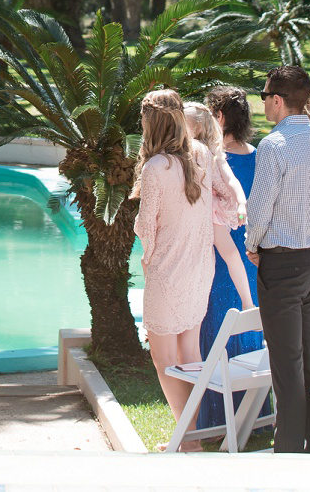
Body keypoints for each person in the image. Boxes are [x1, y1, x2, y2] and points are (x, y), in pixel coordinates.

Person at [245, 63, 310, 454]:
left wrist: (253, 244)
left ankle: (287, 452)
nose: (263, 103)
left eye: (265, 96)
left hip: (281, 261)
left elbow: (259, 207)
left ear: (278, 100)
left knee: (286, 363)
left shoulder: (274, 145)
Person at [133, 88, 213, 450]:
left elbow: (146, 227)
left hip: (167, 270)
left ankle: (188, 437)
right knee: (189, 351)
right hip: (199, 265)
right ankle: (191, 433)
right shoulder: (202, 153)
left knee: (163, 357)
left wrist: (145, 253)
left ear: (151, 122)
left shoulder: (155, 167)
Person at [196, 85, 262, 432]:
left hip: (220, 252)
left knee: (218, 320)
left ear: (219, 117)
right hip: (251, 252)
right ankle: (255, 416)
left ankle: (217, 418)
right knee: (250, 319)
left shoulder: (211, 161)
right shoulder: (259, 155)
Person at [183, 102, 254, 310]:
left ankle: (247, 302)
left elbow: (231, 179)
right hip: (196, 207)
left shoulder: (215, 152)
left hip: (211, 207)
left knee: (231, 254)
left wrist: (242, 202)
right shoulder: (183, 153)